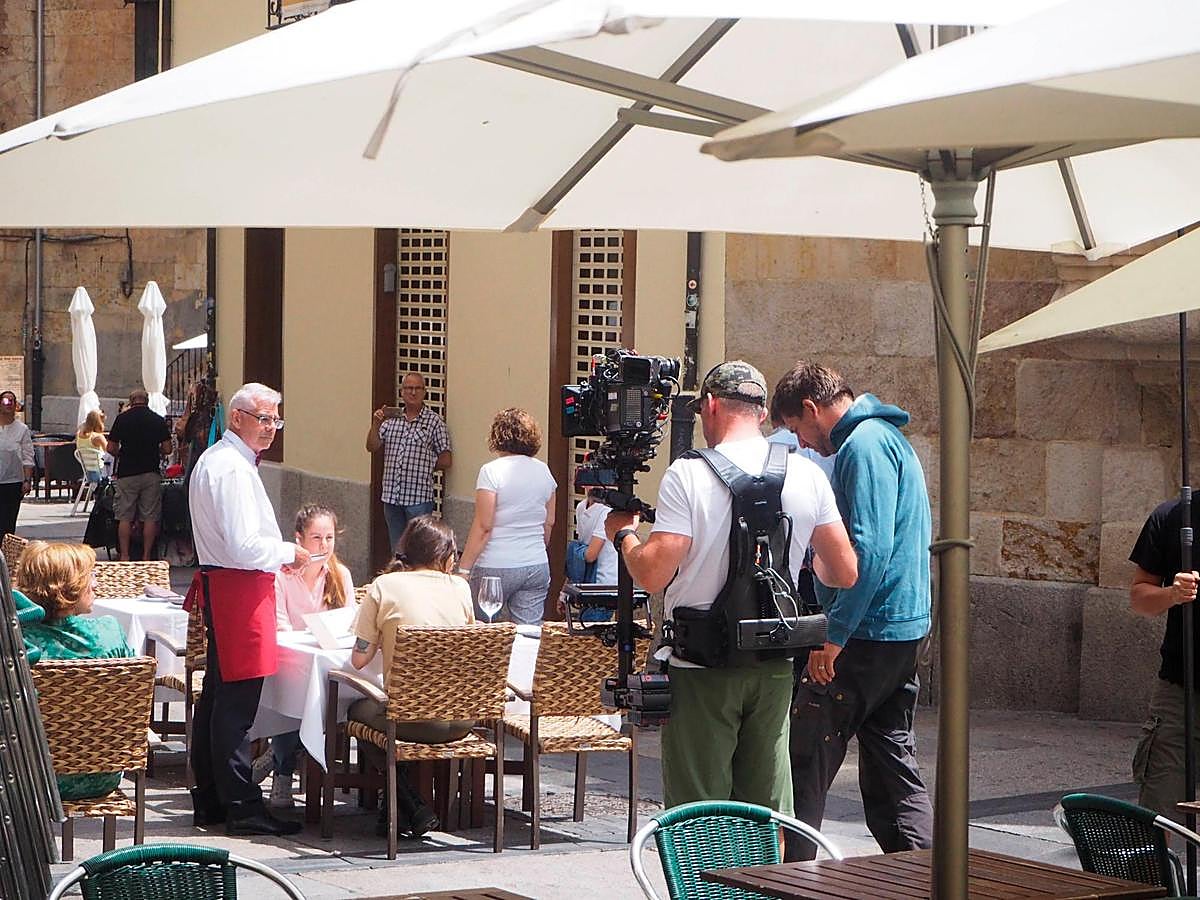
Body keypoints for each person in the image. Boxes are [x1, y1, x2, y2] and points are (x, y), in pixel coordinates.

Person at [605, 361, 858, 819]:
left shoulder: (688, 474)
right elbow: (843, 572)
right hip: (775, 666)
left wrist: (623, 535)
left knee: (699, 809)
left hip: (702, 667)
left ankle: (705, 887)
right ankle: (762, 888)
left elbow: (653, 574)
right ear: (762, 413)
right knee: (767, 810)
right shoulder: (807, 474)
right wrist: (800, 555)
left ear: (711, 405)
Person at [772, 361, 934, 860]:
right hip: (899, 626)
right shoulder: (884, 438)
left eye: (797, 430)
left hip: (869, 629)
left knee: (809, 758)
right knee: (891, 769)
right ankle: (927, 878)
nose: (801, 443)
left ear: (810, 408)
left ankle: (793, 881)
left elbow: (869, 548)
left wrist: (833, 634)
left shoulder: (863, 445)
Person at [188, 382, 309, 837]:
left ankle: (213, 799)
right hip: (240, 586)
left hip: (228, 585)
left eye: (276, 419)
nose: (272, 427)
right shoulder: (233, 469)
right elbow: (243, 546)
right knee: (235, 704)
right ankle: (239, 802)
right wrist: (287, 552)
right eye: (264, 418)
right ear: (237, 417)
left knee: (220, 695)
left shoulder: (220, 462)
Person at [351, 515, 475, 837]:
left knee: (351, 712)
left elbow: (359, 659)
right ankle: (397, 808)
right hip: (461, 720)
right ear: (446, 556)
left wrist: (382, 638)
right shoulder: (461, 589)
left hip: (410, 720)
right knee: (389, 711)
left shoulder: (384, 586)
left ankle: (407, 800)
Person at [254, 504, 354, 808]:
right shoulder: (281, 576)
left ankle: (277, 756)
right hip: (291, 660)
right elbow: (280, 628)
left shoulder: (340, 575)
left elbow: (349, 621)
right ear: (298, 540)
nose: (323, 546)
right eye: (316, 538)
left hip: (327, 658)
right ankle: (283, 771)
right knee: (298, 698)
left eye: (329, 538)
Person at [18, 541, 133, 801]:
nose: (96, 584)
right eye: (90, 576)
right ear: (69, 586)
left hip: (29, 775)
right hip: (102, 772)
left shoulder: (15, 641)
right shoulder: (108, 633)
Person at [1129, 496, 1200, 822]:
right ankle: (1154, 873)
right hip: (1180, 688)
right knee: (1158, 813)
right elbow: (1140, 598)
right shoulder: (1174, 515)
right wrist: (1172, 594)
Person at [457, 408, 556, 625]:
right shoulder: (545, 471)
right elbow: (549, 522)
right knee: (528, 637)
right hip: (535, 562)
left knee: (480, 632)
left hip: (495, 562)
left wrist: (464, 569)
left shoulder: (491, 471)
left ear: (497, 436)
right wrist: (535, 550)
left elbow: (484, 526)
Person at [365, 373, 452, 552]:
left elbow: (446, 458)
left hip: (418, 499)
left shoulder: (434, 422)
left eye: (417, 388)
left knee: (418, 549)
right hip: (391, 497)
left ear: (424, 392)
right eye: (408, 388)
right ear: (402, 392)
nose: (413, 392)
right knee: (397, 549)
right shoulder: (390, 420)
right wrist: (375, 423)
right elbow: (372, 446)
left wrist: (425, 464)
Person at [106, 389, 172, 561]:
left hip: (127, 472)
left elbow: (111, 448)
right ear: (147, 401)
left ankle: (125, 556)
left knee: (124, 516)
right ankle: (146, 555)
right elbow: (167, 449)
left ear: (131, 401)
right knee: (150, 516)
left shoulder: (122, 419)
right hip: (151, 472)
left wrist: (123, 455)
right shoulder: (157, 420)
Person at [0, 391, 33, 538]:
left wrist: (27, 480)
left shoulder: (22, 429)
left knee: (8, 522)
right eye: (5, 401)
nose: (8, 404)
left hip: (13, 481)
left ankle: (6, 555)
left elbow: (28, 455)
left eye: (12, 401)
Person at [573, 488, 617, 585]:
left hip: (607, 580)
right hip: (585, 578)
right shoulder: (581, 507)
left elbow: (591, 555)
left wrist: (573, 551)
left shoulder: (607, 510)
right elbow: (583, 544)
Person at [75, 409, 108, 484]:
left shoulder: (79, 434)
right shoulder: (98, 437)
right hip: (100, 472)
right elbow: (109, 452)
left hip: (87, 472)